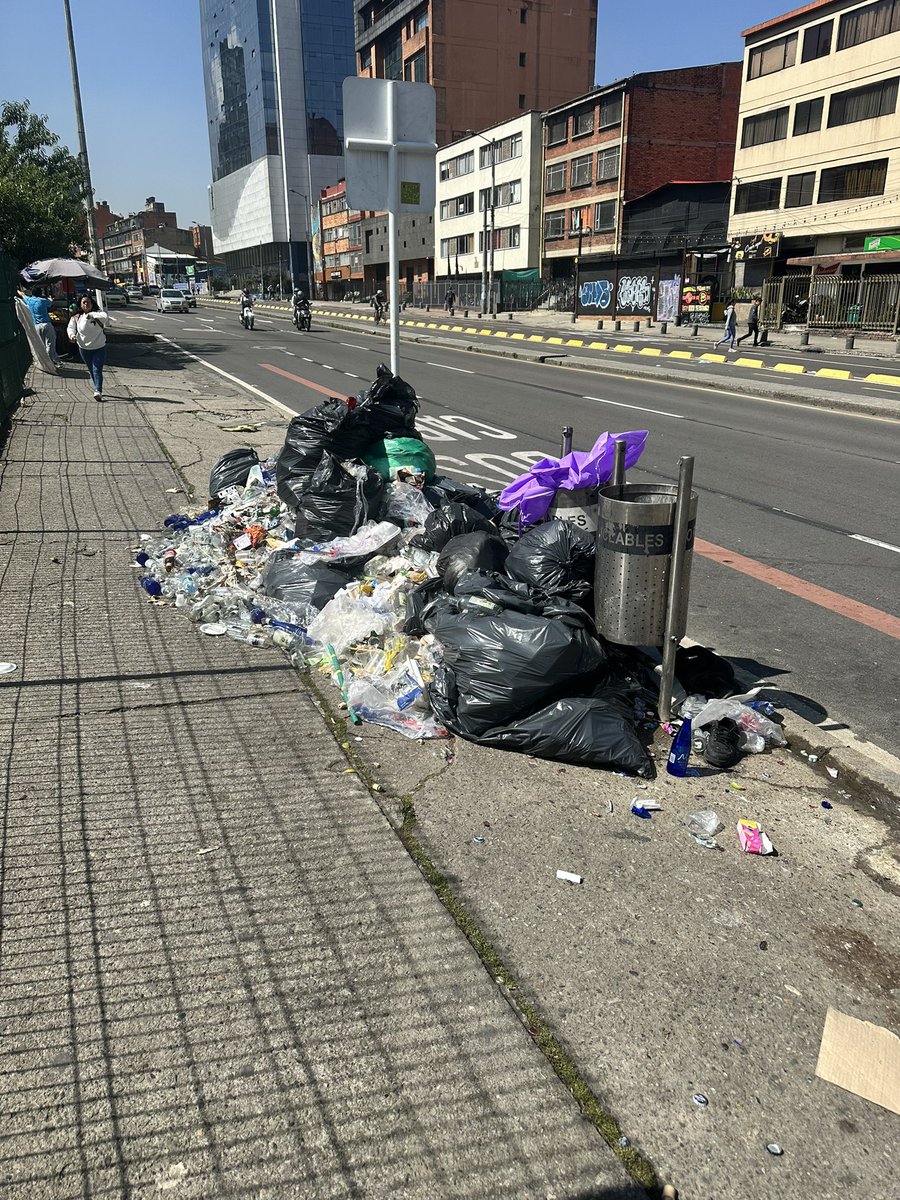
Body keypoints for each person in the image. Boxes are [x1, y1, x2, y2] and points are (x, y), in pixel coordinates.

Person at [66, 294, 109, 400]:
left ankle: (98, 390)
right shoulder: (76, 317)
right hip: (84, 348)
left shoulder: (98, 314)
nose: (86, 304)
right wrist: (72, 336)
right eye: (84, 302)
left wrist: (92, 315)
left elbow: (105, 317)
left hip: (99, 347)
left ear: (92, 303)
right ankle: (97, 387)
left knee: (96, 369)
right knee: (91, 369)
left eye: (88, 302)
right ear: (80, 305)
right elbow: (70, 328)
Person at [24, 286, 61, 364]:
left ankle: (44, 361)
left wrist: (18, 290)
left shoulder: (29, 300)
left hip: (36, 326)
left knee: (41, 344)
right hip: (46, 324)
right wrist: (51, 298)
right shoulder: (43, 300)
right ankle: (50, 360)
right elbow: (50, 303)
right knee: (50, 343)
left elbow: (22, 295)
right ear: (41, 293)